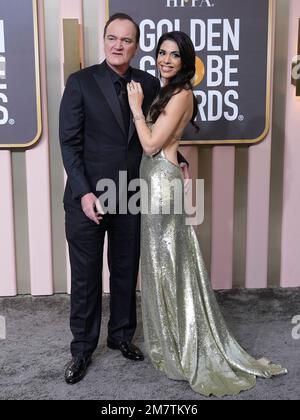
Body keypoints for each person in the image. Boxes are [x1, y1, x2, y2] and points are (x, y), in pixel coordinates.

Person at [127, 31, 287, 397]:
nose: (166, 59)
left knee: (171, 262)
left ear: (185, 62)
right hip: (153, 180)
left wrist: (137, 109)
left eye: (174, 55)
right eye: (162, 53)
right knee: (159, 261)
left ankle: (190, 343)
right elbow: (165, 141)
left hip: (162, 186)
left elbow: (152, 143)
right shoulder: (168, 92)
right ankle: (173, 340)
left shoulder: (182, 94)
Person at [59, 14, 188, 385]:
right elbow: (69, 143)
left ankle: (121, 336)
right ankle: (82, 349)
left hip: (132, 193)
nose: (119, 45)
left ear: (136, 46)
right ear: (104, 41)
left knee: (125, 269)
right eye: (112, 38)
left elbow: (160, 132)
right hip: (88, 197)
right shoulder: (80, 82)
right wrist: (84, 192)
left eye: (127, 40)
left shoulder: (148, 83)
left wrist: (179, 158)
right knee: (85, 278)